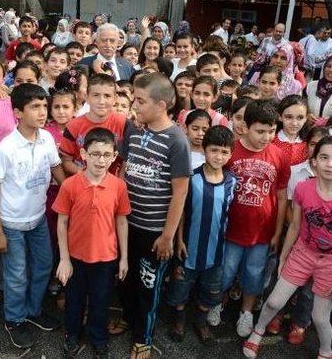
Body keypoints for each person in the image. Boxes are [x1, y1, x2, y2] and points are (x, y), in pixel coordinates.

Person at [243, 136, 332, 359]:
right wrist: (284, 257)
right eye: (324, 157)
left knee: (319, 317)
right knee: (274, 302)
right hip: (302, 253)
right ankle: (257, 331)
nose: (329, 164)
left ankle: (326, 351)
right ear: (314, 160)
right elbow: (296, 226)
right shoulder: (302, 188)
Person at [113, 73, 191, 358]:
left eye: (141, 101)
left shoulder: (177, 141)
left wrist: (167, 236)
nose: (135, 104)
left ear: (161, 105)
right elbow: (125, 166)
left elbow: (180, 193)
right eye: (134, 98)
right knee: (127, 279)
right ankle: (128, 319)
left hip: (154, 231)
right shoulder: (134, 129)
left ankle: (143, 337)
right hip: (126, 224)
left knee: (149, 286)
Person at [0, 83, 66, 349]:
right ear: (18, 112)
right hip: (11, 224)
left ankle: (33, 310)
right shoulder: (5, 148)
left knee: (44, 265)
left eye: (44, 106)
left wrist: (73, 197)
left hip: (39, 218)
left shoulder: (46, 140)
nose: (42, 112)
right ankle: (15, 319)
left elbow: (57, 171)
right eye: (35, 107)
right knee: (17, 273)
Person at [54, 127, 130, 358]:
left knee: (100, 301)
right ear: (83, 154)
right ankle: (72, 335)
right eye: (95, 153)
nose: (101, 160)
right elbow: (62, 223)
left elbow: (122, 222)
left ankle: (99, 338)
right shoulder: (70, 185)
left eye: (107, 155)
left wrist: (124, 258)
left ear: (114, 156)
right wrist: (64, 259)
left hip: (106, 258)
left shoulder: (118, 186)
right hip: (75, 257)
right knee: (74, 301)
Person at [221, 99, 290, 338]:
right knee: (226, 270)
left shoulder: (279, 157)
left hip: (262, 232)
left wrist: (278, 231)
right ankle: (217, 302)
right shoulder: (229, 151)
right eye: (260, 131)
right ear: (245, 127)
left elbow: (281, 197)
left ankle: (247, 311)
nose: (266, 137)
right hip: (231, 229)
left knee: (254, 273)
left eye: (271, 131)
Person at [167, 125, 236, 345]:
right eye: (214, 150)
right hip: (188, 248)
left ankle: (200, 322)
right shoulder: (192, 178)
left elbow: (229, 216)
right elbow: (182, 212)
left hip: (215, 252)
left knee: (210, 291)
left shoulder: (232, 182)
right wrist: (178, 240)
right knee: (180, 289)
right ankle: (178, 320)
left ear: (231, 154)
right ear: (204, 150)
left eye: (225, 152)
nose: (219, 156)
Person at [59, 74, 128, 175]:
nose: (101, 101)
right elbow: (66, 161)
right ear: (86, 97)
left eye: (107, 96)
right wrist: (89, 176)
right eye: (96, 95)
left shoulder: (124, 123)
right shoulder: (73, 126)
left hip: (112, 185)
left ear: (115, 98)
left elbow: (128, 158)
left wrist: (119, 181)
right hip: (81, 183)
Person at [272, 95, 308, 166]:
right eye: (288, 117)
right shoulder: (271, 141)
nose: (294, 123)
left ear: (306, 118)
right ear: (280, 117)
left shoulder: (309, 142)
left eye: (300, 118)